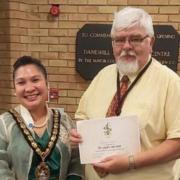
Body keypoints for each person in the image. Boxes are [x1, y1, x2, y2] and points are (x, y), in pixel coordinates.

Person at [70, 6, 180, 180]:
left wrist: (130, 162)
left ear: (150, 42)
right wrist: (78, 133)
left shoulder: (171, 83)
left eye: (135, 39)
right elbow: (82, 115)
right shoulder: (103, 75)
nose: (126, 46)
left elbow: (177, 143)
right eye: (119, 40)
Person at [0, 56, 84, 180]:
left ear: (46, 83)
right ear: (15, 89)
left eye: (35, 80)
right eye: (21, 82)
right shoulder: (4, 124)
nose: (29, 88)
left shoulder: (64, 120)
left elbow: (76, 162)